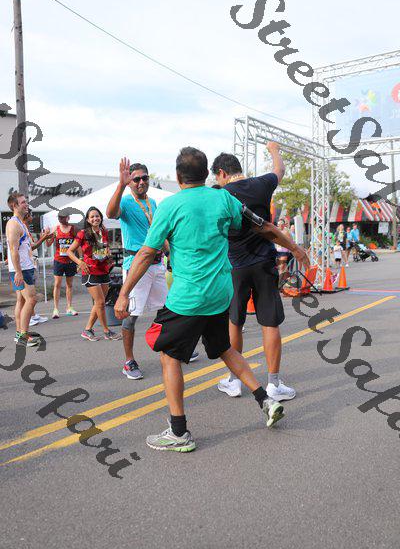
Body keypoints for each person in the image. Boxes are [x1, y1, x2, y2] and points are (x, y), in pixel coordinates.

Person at [114, 147, 309, 452]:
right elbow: (265, 227)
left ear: (178, 176)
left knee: (169, 356)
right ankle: (266, 400)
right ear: (206, 174)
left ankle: (178, 432)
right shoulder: (224, 199)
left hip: (189, 298)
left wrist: (124, 293)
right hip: (220, 294)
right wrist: (295, 248)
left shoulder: (170, 205)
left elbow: (147, 253)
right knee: (223, 348)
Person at [211, 142, 299, 401]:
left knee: (235, 322)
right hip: (264, 263)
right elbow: (280, 170)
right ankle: (274, 384)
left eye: (217, 177)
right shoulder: (262, 184)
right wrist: (274, 150)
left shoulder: (220, 195)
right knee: (269, 322)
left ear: (222, 173)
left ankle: (234, 380)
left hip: (234, 267)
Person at [106, 158, 198, 381]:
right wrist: (120, 185)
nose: (140, 182)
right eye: (135, 179)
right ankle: (129, 361)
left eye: (144, 178)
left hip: (156, 265)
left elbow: (159, 233)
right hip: (136, 266)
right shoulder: (126, 201)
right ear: (130, 182)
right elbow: (110, 213)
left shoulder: (153, 203)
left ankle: (173, 348)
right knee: (131, 316)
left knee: (168, 310)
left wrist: (169, 254)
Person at [67, 206, 120, 341]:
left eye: (97, 216)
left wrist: (108, 255)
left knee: (99, 303)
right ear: (88, 220)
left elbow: (105, 247)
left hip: (104, 270)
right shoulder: (83, 233)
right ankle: (106, 331)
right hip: (90, 271)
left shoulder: (104, 231)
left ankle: (87, 330)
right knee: (100, 302)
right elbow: (69, 251)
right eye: (92, 217)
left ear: (101, 218)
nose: (95, 218)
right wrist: (80, 262)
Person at [5, 192, 40, 347]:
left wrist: (44, 238)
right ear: (15, 205)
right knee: (31, 299)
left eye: (26, 201)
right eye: (23, 202)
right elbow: (13, 251)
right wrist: (18, 272)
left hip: (26, 267)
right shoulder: (13, 224)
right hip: (21, 270)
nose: (26, 204)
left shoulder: (20, 223)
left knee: (22, 300)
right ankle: (23, 336)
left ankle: (20, 333)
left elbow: (27, 247)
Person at [46, 214, 78, 319]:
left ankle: (69, 307)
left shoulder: (73, 229)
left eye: (63, 217)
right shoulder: (56, 229)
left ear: (68, 218)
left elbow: (78, 244)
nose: (61, 219)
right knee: (57, 284)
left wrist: (80, 258)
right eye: (59, 217)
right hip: (59, 260)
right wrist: (46, 235)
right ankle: (55, 309)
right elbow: (48, 244)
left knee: (69, 284)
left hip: (70, 261)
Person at [23, 210, 51, 327]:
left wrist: (44, 237)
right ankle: (27, 318)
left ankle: (32, 315)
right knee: (27, 296)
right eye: (31, 215)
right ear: (26, 216)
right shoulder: (21, 228)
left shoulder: (26, 228)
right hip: (26, 265)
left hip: (32, 262)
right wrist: (44, 237)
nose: (32, 217)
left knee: (28, 295)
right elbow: (31, 247)